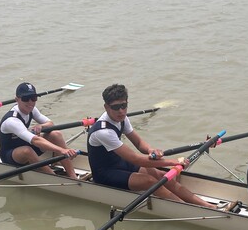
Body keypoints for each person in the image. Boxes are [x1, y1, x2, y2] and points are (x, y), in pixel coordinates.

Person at [87, 83, 216, 209]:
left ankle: (205, 205)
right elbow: (135, 159)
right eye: (115, 107)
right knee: (151, 181)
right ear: (106, 107)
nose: (121, 111)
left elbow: (138, 143)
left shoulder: (122, 118)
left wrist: (150, 150)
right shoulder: (103, 132)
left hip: (121, 163)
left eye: (124, 105)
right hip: (105, 173)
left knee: (160, 176)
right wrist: (173, 162)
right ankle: (188, 210)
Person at [0, 82, 79, 178]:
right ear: (17, 99)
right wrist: (62, 150)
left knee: (56, 134)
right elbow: (35, 140)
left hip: (27, 145)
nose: (30, 102)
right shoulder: (11, 120)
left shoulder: (32, 109)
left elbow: (51, 123)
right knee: (27, 151)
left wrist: (41, 126)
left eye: (33, 98)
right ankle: (53, 178)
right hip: (10, 156)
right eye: (25, 99)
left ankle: (73, 176)